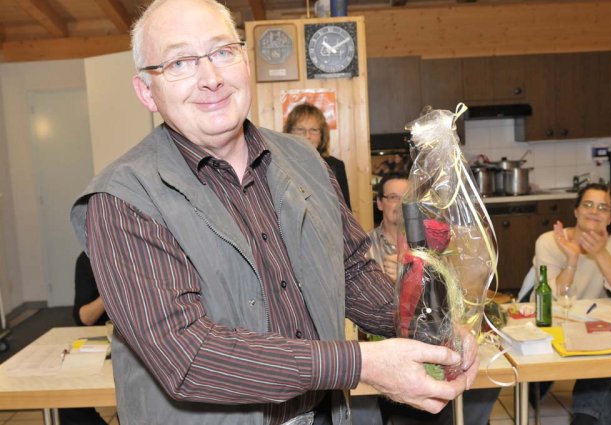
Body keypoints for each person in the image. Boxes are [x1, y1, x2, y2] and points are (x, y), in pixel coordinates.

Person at [69, 1, 479, 424]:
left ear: (245, 62)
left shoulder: (304, 160)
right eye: (179, 62)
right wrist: (361, 363)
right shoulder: (122, 198)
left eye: (222, 52)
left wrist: (429, 326)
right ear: (146, 91)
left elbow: (353, 271)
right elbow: (188, 356)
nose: (211, 78)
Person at [369, 173, 499, 425]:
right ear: (380, 203)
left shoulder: (436, 251)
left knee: (478, 386)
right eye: (393, 197)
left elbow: (453, 298)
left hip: (434, 353)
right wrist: (397, 284)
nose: (400, 204)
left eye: (407, 198)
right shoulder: (365, 248)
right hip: (389, 360)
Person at [532, 183, 611, 425]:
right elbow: (552, 298)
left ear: (610, 218)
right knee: (610, 361)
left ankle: (584, 419)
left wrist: (600, 253)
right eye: (588, 204)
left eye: (603, 207)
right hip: (549, 328)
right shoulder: (549, 241)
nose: (594, 211)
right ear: (576, 211)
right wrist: (572, 258)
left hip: (590, 327)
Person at [58, 253, 109, 425]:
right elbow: (84, 318)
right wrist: (112, 291)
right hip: (102, 342)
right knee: (67, 400)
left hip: (143, 343)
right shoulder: (87, 259)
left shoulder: (144, 254)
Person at [283, 103, 351, 209]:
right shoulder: (279, 165)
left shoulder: (335, 167)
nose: (307, 136)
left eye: (314, 130)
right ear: (289, 132)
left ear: (321, 135)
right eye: (300, 129)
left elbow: (346, 212)